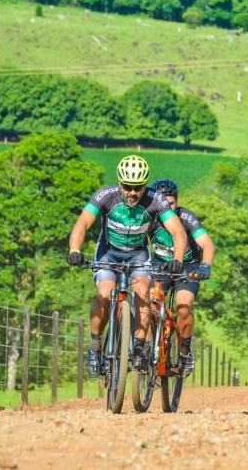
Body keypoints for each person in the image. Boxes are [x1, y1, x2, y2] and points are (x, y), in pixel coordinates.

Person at [67, 155, 187, 377]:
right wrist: (75, 250)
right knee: (104, 292)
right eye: (128, 187)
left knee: (142, 291)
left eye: (138, 187)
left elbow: (178, 231)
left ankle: (139, 348)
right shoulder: (106, 195)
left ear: (145, 185)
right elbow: (82, 223)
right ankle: (95, 347)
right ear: (120, 183)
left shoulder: (155, 200)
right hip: (108, 252)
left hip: (137, 255)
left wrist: (178, 259)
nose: (132, 192)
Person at [148, 178, 216, 377]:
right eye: (163, 203)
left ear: (177, 201)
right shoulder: (150, 218)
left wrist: (205, 266)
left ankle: (185, 352)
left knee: (183, 306)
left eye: (171, 203)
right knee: (150, 304)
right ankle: (149, 346)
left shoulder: (186, 217)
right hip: (160, 264)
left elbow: (208, 245)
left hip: (188, 266)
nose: (167, 207)